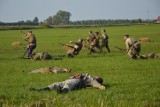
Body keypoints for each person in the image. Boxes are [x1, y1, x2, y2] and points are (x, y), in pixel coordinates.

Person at [29, 73, 105, 93]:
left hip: (77, 82)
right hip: (72, 81)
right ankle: (40, 90)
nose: (96, 76)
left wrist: (100, 86)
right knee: (56, 84)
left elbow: (94, 82)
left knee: (67, 85)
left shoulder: (91, 79)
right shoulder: (91, 81)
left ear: (97, 79)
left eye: (97, 77)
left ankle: (62, 92)